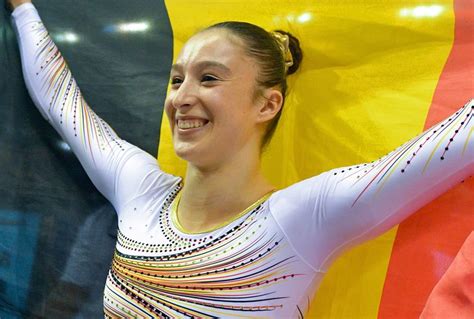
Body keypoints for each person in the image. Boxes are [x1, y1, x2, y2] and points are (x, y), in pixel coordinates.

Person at [8, 0, 473, 317]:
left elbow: (453, 143)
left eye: (209, 78)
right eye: (176, 80)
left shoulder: (301, 217)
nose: (182, 98)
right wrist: (22, 7)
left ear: (267, 104)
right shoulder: (140, 191)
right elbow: (60, 101)